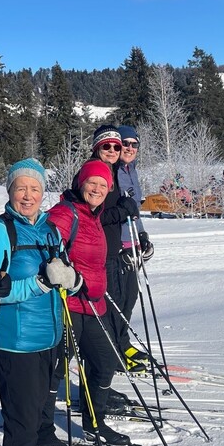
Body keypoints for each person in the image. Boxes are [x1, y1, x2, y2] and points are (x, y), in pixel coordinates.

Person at [0, 158, 79, 446]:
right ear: (9, 191)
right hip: (15, 344)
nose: (27, 195)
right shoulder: (0, 231)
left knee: (34, 422)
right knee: (21, 427)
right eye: (20, 187)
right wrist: (39, 283)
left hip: (48, 340)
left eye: (34, 188)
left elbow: (63, 273)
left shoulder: (50, 230)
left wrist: (72, 280)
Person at [42, 159, 132, 446]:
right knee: (56, 370)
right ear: (80, 183)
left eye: (103, 185)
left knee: (105, 362)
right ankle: (42, 432)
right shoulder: (65, 213)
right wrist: (66, 274)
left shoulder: (95, 216)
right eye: (91, 182)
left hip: (93, 305)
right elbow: (46, 250)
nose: (96, 189)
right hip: (67, 306)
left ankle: (95, 424)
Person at [89, 125, 141, 399]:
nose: (116, 150)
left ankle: (118, 352)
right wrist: (122, 211)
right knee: (108, 311)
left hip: (117, 247)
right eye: (107, 146)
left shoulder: (121, 171)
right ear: (97, 147)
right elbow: (93, 215)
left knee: (124, 301)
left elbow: (128, 211)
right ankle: (101, 378)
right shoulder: (96, 172)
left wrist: (140, 236)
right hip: (103, 252)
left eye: (117, 146)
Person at [115, 125, 154, 372]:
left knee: (129, 298)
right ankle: (114, 350)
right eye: (125, 143)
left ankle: (123, 342)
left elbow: (134, 210)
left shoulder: (132, 171)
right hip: (117, 245)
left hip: (132, 241)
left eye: (134, 144)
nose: (129, 148)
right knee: (118, 299)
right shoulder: (113, 171)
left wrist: (141, 235)